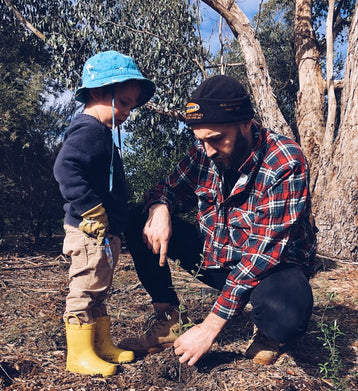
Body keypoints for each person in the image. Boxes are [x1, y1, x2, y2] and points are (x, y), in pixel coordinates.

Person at [119, 75, 316, 366]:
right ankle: (168, 318)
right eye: (201, 140)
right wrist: (160, 208)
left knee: (287, 315)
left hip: (272, 267)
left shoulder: (284, 162)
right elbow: (166, 188)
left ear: (246, 124)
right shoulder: (204, 152)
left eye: (216, 139)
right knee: (138, 217)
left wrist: (210, 326)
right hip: (219, 257)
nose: (208, 149)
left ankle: (269, 334)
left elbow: (262, 255)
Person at [54, 50, 155, 376]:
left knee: (99, 286)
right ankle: (79, 355)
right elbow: (65, 168)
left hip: (103, 230)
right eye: (123, 102)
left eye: (130, 105)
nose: (127, 112)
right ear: (98, 92)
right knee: (85, 288)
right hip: (88, 230)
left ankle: (100, 344)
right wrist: (91, 209)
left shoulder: (101, 133)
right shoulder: (90, 131)